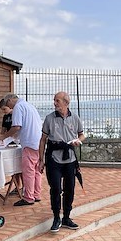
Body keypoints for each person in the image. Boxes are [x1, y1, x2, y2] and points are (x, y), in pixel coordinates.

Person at [38, 92, 85, 233]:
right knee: (56, 189)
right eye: (54, 100)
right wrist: (41, 160)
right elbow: (43, 140)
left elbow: (81, 135)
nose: (54, 103)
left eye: (57, 100)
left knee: (70, 188)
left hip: (70, 159)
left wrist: (79, 140)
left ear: (66, 102)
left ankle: (67, 217)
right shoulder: (49, 119)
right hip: (53, 158)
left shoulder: (75, 117)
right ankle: (56, 217)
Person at [0, 94, 42, 207]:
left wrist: (4, 137)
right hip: (38, 142)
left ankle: (28, 197)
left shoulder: (18, 107)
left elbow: (16, 127)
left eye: (8, 104)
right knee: (36, 170)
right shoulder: (29, 105)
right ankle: (36, 194)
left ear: (11, 100)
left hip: (29, 142)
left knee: (28, 171)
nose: (9, 106)